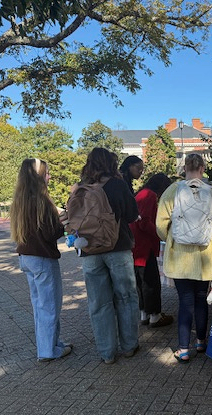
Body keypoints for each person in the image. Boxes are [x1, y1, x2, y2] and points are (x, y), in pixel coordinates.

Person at [156, 153, 212, 363]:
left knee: (185, 301)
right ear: (203, 168)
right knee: (201, 300)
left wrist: (173, 237)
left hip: (180, 258)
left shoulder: (172, 191)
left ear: (184, 168)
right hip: (204, 258)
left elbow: (160, 226)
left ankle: (183, 349)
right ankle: (201, 342)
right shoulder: (211, 193)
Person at [77, 147, 141, 364]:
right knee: (126, 297)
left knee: (98, 302)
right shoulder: (117, 184)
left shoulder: (81, 187)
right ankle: (130, 345)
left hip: (89, 251)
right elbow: (132, 215)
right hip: (118, 247)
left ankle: (106, 352)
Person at [10, 158, 72, 362]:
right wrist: (62, 223)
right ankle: (48, 350)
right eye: (46, 173)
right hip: (43, 258)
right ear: (38, 176)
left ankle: (50, 343)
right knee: (50, 306)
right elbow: (49, 234)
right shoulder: (41, 200)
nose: (49, 176)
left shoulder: (20, 199)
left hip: (27, 257)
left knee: (40, 306)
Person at [130, 173, 174, 328]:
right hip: (145, 245)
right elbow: (145, 222)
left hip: (136, 246)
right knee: (151, 282)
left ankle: (144, 314)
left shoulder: (141, 194)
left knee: (140, 283)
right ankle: (155, 316)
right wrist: (160, 233)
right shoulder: (149, 196)